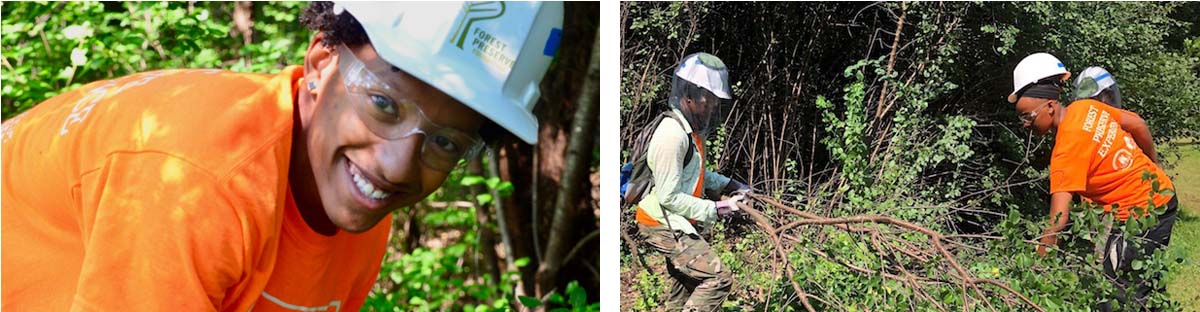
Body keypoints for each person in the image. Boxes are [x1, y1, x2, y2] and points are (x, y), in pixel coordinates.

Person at [0, 2, 562, 311]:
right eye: (385, 105)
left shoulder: (354, 199)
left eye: (444, 143)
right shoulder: (194, 180)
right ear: (321, 63)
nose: (396, 166)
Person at [1009, 53, 1178, 310]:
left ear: (1051, 107)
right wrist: (1153, 167)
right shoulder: (1086, 108)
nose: (1024, 124)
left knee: (1117, 297)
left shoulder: (1065, 153)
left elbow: (1058, 221)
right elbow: (1138, 124)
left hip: (1143, 214)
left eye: (1028, 116)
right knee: (1143, 281)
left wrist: (1035, 270)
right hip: (1162, 197)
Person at [634, 52, 750, 312]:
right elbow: (669, 197)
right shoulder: (672, 135)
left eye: (714, 101)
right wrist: (719, 208)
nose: (710, 107)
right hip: (661, 222)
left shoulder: (690, 132)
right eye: (706, 100)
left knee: (685, 290)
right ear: (689, 96)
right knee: (717, 279)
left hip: (677, 221)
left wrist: (731, 185)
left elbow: (696, 173)